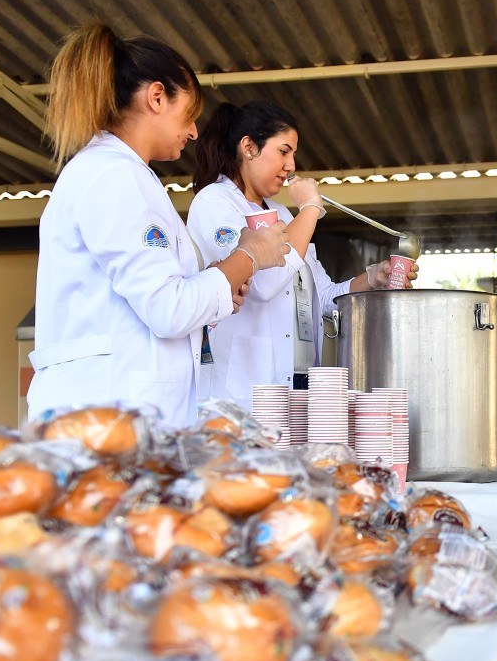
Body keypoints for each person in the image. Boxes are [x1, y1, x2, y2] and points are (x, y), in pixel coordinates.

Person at [27, 23, 291, 428]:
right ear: (156, 97)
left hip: (119, 417)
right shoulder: (114, 177)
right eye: (189, 115)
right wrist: (250, 255)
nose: (193, 131)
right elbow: (169, 308)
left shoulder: (128, 176)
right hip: (106, 420)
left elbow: (158, 301)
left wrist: (215, 292)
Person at [187, 101, 415, 406]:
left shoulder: (281, 213)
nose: (291, 165)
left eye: (293, 154)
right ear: (249, 147)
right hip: (243, 390)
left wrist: (371, 279)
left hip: (296, 382)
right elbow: (265, 284)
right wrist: (309, 208)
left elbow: (321, 296)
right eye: (284, 151)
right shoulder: (214, 202)